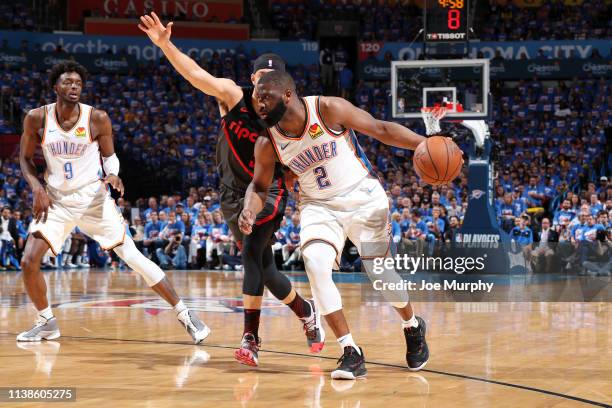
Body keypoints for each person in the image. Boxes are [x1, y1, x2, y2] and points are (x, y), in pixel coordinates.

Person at [138, 12, 323, 367]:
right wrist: (165, 45)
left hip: (267, 193)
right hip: (231, 196)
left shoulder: (287, 117)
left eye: (273, 79)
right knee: (265, 269)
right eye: (260, 77)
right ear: (252, 79)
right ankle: (305, 310)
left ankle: (250, 339)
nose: (265, 84)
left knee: (251, 252)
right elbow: (195, 74)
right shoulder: (232, 96)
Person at [239, 70, 437, 379]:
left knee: (380, 273)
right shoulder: (267, 142)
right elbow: (259, 187)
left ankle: (412, 325)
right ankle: (350, 350)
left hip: (363, 198)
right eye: (255, 100)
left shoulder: (328, 109)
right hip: (319, 206)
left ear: (287, 94)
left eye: (265, 97)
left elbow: (381, 129)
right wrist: (249, 210)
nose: (259, 105)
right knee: (315, 264)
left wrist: (424, 144)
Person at [17, 62, 210, 343]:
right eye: (68, 82)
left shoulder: (97, 119)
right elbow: (24, 158)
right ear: (55, 87)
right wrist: (36, 187)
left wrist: (113, 174)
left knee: (131, 256)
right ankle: (46, 321)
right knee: (28, 260)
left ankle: (185, 314)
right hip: (57, 199)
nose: (74, 87)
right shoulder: (37, 118)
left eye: (78, 83)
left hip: (93, 199)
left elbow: (109, 156)